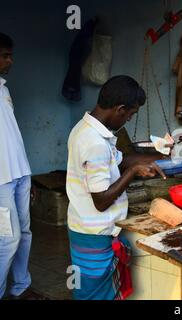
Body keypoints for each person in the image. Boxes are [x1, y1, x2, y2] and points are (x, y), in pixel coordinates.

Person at [66, 75, 166, 300]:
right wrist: (133, 172)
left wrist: (161, 157)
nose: (129, 120)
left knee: (93, 289)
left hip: (85, 227)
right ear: (120, 109)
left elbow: (120, 160)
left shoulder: (86, 128)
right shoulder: (94, 143)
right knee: (91, 294)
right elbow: (101, 201)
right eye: (130, 115)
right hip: (93, 232)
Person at [0, 32, 34, 300]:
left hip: (20, 173)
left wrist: (26, 172)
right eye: (4, 56)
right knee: (7, 239)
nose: (10, 61)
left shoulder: (4, 88)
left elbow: (11, 134)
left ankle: (20, 286)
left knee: (23, 233)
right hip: (0, 181)